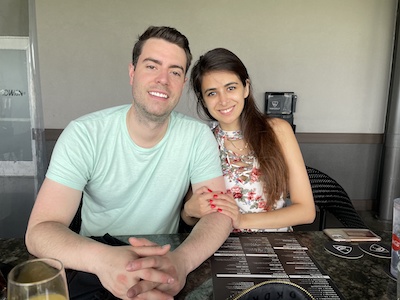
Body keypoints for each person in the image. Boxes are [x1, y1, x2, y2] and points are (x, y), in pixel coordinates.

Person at [25, 27, 232, 300]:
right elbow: (39, 231)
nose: (163, 80)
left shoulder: (197, 136)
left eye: (175, 71)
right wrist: (103, 260)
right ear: (132, 72)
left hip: (165, 261)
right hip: (94, 260)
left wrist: (181, 263)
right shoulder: (84, 134)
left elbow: (219, 214)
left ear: (182, 83)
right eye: (152, 66)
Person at [182, 48, 315, 232]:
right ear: (203, 100)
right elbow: (192, 215)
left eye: (231, 88)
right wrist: (188, 211)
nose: (223, 100)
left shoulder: (277, 131)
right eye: (212, 93)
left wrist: (243, 221)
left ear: (245, 87)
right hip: (221, 245)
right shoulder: (203, 140)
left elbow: (306, 211)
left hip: (275, 246)